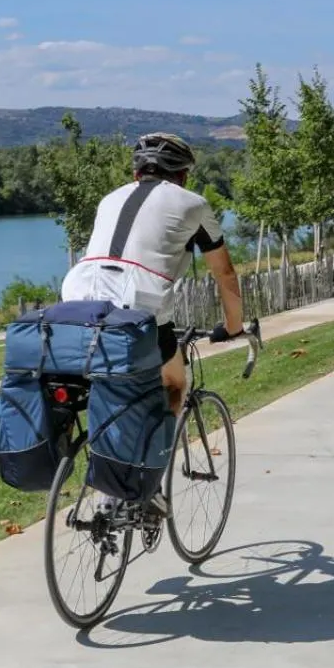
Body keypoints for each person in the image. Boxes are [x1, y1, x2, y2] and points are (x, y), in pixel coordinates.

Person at [60, 133, 247, 510]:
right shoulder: (194, 204)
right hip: (139, 306)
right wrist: (234, 325)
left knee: (109, 382)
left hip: (77, 300)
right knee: (175, 385)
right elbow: (224, 273)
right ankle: (149, 488)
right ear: (183, 176)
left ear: (136, 172)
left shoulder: (109, 198)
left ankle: (104, 485)